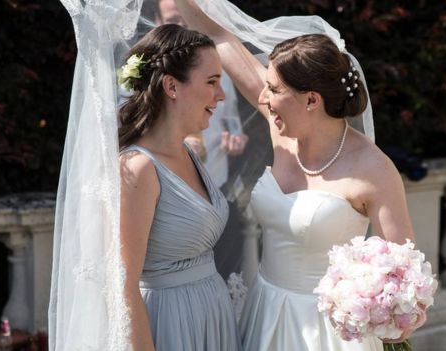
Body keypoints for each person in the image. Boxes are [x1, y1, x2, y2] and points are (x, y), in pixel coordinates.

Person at [173, 1, 427, 350]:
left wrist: (389, 314)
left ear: (311, 100)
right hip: (265, 313)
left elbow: (405, 277)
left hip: (328, 335)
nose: (263, 97)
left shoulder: (374, 170)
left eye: (274, 89)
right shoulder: (284, 135)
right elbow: (218, 33)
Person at [118, 24, 240, 350]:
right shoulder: (138, 169)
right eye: (212, 82)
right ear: (172, 86)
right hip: (170, 322)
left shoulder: (188, 151)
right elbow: (123, 284)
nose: (222, 94)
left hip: (212, 315)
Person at [155, 0, 251, 280]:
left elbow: (233, 125)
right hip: (167, 203)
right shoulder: (142, 84)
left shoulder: (221, 80)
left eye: (188, 20)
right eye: (175, 19)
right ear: (158, 21)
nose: (183, 28)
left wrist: (236, 141)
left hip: (217, 192)